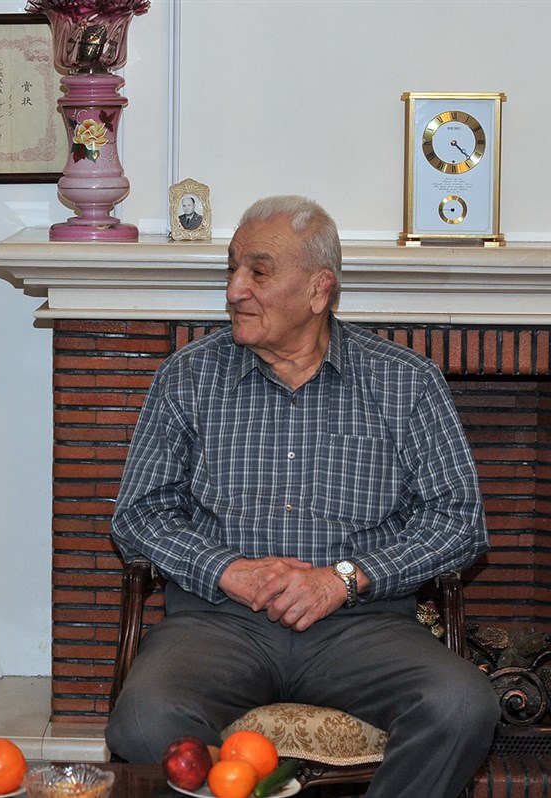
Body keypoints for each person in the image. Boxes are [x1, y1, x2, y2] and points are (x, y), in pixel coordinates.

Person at [105, 195, 498, 798]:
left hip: (361, 625)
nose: (235, 290)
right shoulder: (187, 377)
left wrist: (344, 579)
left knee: (462, 703)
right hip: (218, 623)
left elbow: (459, 521)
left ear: (319, 290)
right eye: (232, 269)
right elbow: (139, 514)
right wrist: (230, 571)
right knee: (142, 718)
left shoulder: (405, 381)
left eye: (258, 273)